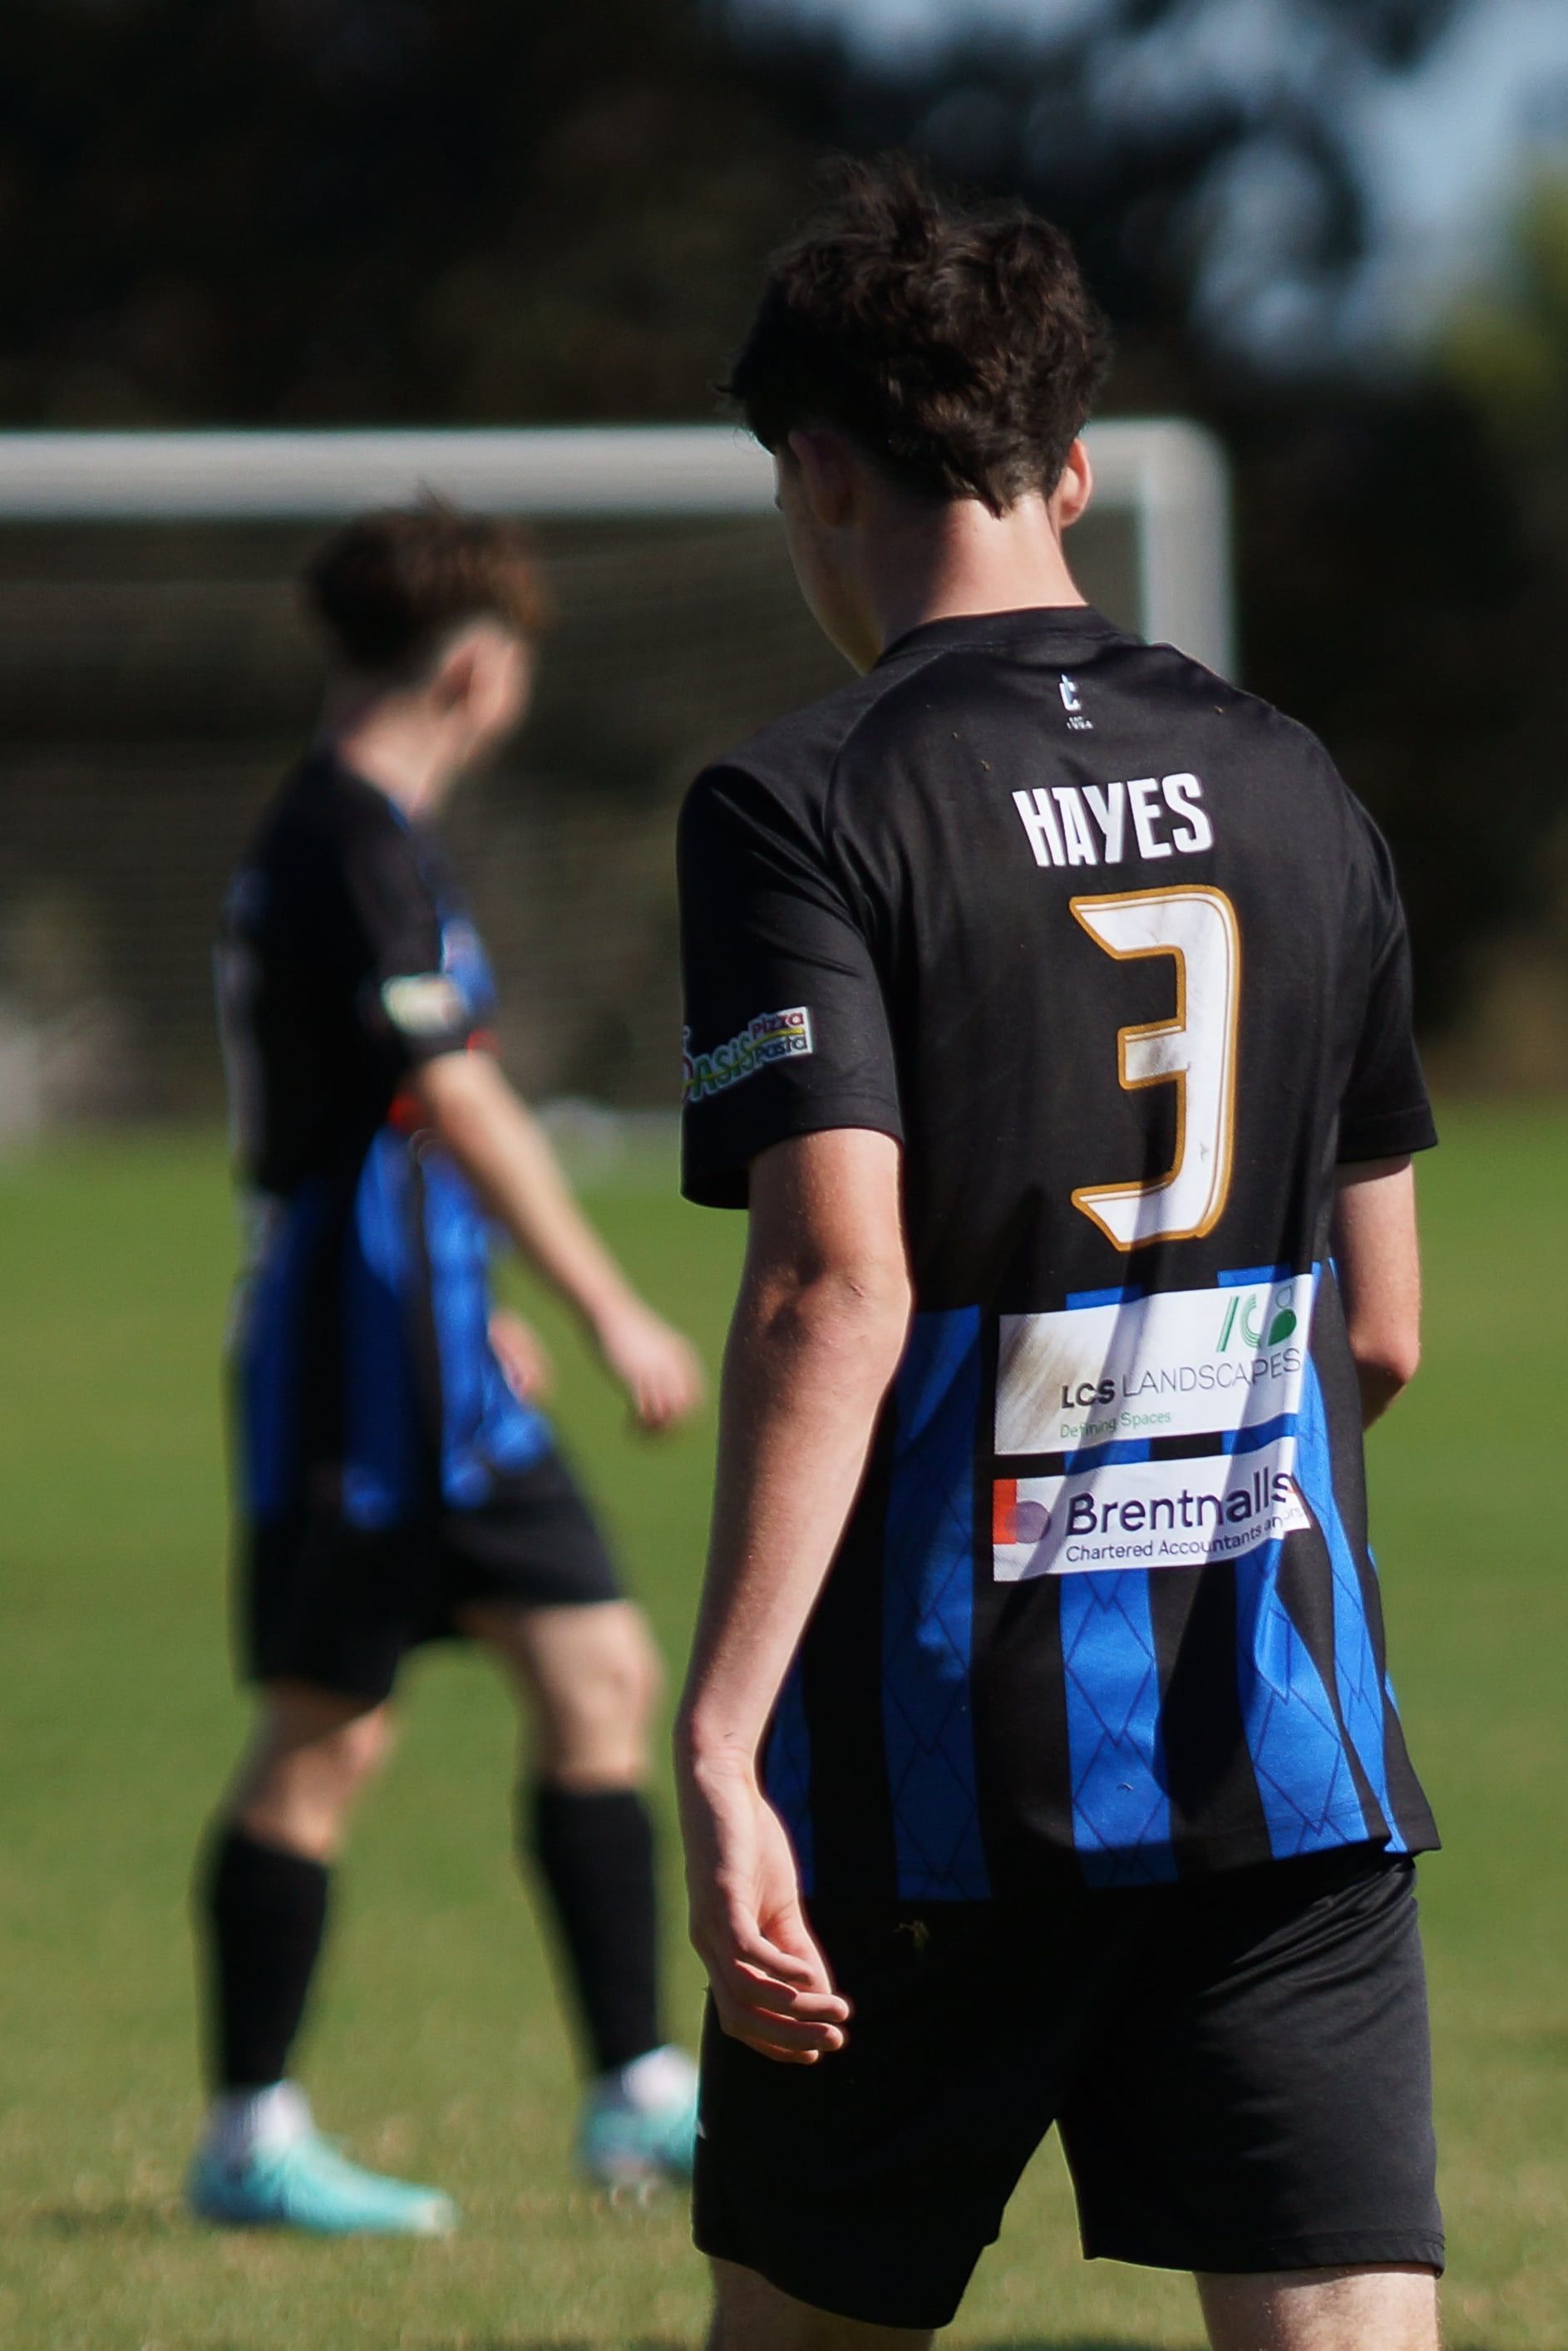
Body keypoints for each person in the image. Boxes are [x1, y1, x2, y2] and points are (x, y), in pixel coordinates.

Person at [674, 160, 1443, 2351]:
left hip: (930, 1764)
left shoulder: (797, 800)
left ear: (814, 472)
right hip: (1274, 1747)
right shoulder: (1296, 781)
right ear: (1072, 463)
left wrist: (724, 1741)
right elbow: (1375, 1321)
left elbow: (834, 1280)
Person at [191, 502, 704, 2236]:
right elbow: (457, 1100)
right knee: (326, 1738)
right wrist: (606, 1304)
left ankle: (637, 2097)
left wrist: (478, 1300)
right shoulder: (347, 840)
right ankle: (248, 2133)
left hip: (438, 1357)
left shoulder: (373, 838)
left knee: (601, 1678)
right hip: (353, 1375)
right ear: (477, 673)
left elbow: (382, 1120)